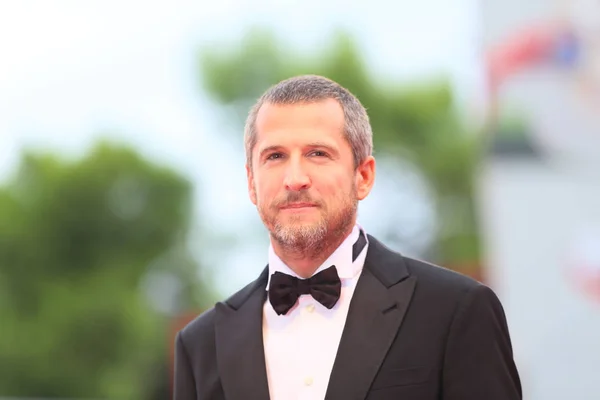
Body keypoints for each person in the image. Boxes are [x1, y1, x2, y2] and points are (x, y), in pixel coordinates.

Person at [173, 75, 522, 400]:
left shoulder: (456, 310)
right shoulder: (202, 345)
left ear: (364, 176)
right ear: (251, 182)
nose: (295, 178)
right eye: (275, 156)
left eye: (317, 154)